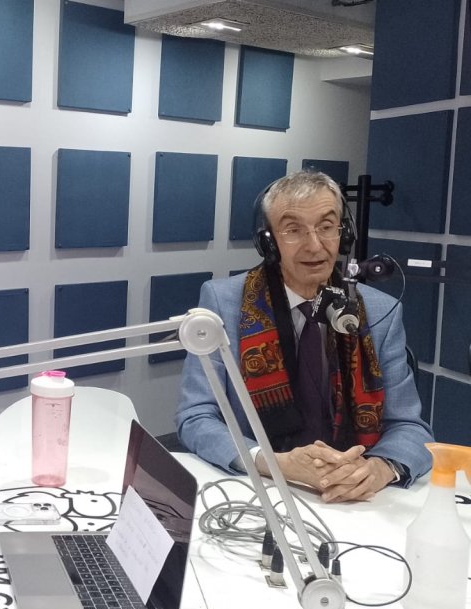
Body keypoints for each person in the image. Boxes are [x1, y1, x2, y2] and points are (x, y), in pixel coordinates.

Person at [176, 171, 433, 503]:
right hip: (262, 491)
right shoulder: (222, 302)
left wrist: (378, 469)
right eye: (293, 230)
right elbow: (195, 416)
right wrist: (273, 463)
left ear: (344, 235)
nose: (315, 245)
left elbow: (411, 427)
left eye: (326, 227)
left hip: (352, 499)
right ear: (269, 242)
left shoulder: (381, 311)